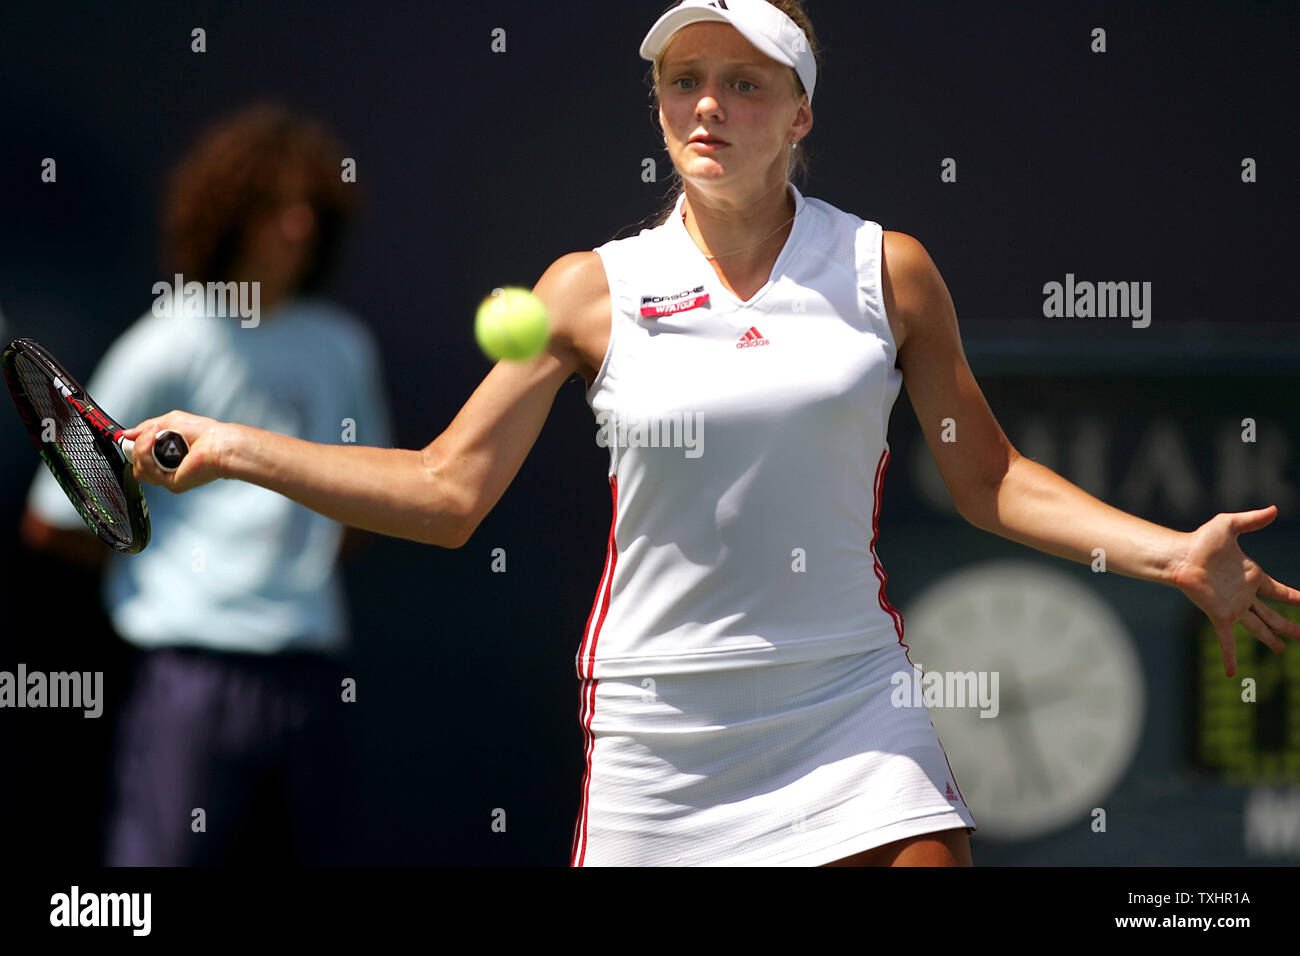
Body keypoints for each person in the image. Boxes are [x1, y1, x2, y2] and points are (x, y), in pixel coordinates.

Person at [122, 0, 1300, 866]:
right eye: (686, 79)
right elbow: (444, 490)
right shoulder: (590, 290)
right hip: (659, 728)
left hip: (848, 702)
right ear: (657, 104)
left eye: (745, 83)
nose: (708, 106)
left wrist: (1171, 553)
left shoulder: (889, 272)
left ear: (799, 114)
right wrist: (231, 445)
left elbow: (988, 480)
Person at [22, 103, 392, 865]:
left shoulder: (342, 349)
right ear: (231, 213)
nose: (296, 226)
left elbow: (368, 503)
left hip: (308, 678)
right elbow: (52, 515)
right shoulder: (172, 339)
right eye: (273, 206)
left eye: (307, 207)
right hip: (187, 683)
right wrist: (172, 574)